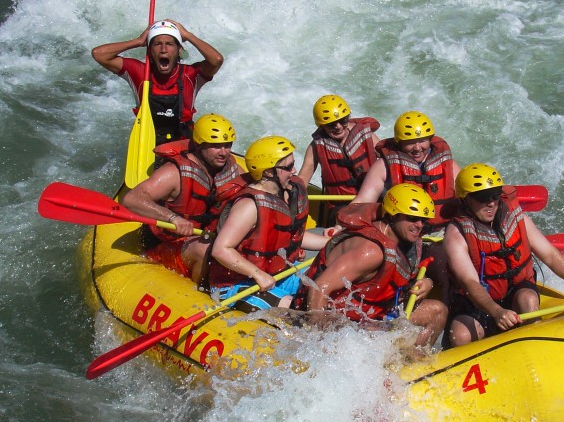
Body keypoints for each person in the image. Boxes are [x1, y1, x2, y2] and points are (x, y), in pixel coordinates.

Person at [444, 163, 564, 347]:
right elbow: (470, 283)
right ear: (465, 199)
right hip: (477, 303)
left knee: (528, 299)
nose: (491, 203)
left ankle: (535, 346)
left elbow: (550, 255)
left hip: (515, 292)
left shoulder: (515, 217)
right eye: (482, 198)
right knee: (460, 335)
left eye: (495, 196)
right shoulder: (455, 234)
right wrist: (497, 311)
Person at [294, 184, 447, 349]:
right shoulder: (371, 251)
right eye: (411, 218)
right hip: (341, 323)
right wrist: (316, 340)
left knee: (437, 312)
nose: (419, 225)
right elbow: (320, 288)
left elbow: (394, 276)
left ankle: (410, 365)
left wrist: (426, 282)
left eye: (423, 221)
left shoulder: (402, 240)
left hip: (374, 317)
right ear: (392, 215)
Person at [209, 136, 329, 309]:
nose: (294, 170)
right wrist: (257, 274)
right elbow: (221, 250)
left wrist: (331, 243)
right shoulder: (249, 206)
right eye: (287, 167)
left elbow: (289, 237)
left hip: (276, 273)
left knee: (325, 288)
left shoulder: (281, 196)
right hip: (236, 283)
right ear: (268, 172)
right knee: (296, 309)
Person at [121, 114, 244, 284]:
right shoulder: (174, 173)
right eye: (216, 146)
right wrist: (172, 218)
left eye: (227, 145)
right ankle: (201, 292)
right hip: (165, 246)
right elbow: (131, 199)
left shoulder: (232, 169)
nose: (223, 152)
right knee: (204, 249)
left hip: (204, 237)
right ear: (200, 145)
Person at [91, 20, 224, 145]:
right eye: (157, 44)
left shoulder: (190, 75)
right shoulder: (139, 72)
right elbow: (99, 54)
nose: (164, 49)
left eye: (170, 44)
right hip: (148, 142)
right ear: (149, 51)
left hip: (183, 143)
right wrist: (137, 41)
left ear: (179, 51)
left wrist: (188, 35)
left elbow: (216, 60)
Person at [351, 110, 460, 231]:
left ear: (430, 140)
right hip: (400, 233)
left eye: (422, 141)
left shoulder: (448, 164)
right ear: (400, 142)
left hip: (440, 233)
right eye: (410, 143)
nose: (417, 148)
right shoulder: (383, 166)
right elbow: (363, 201)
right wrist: (341, 225)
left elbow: (469, 200)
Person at [297, 95, 381, 225]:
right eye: (331, 124)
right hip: (341, 205)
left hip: (371, 199)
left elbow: (389, 162)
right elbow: (303, 178)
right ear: (322, 126)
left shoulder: (366, 135)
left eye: (343, 120)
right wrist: (289, 197)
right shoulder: (316, 146)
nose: (338, 127)